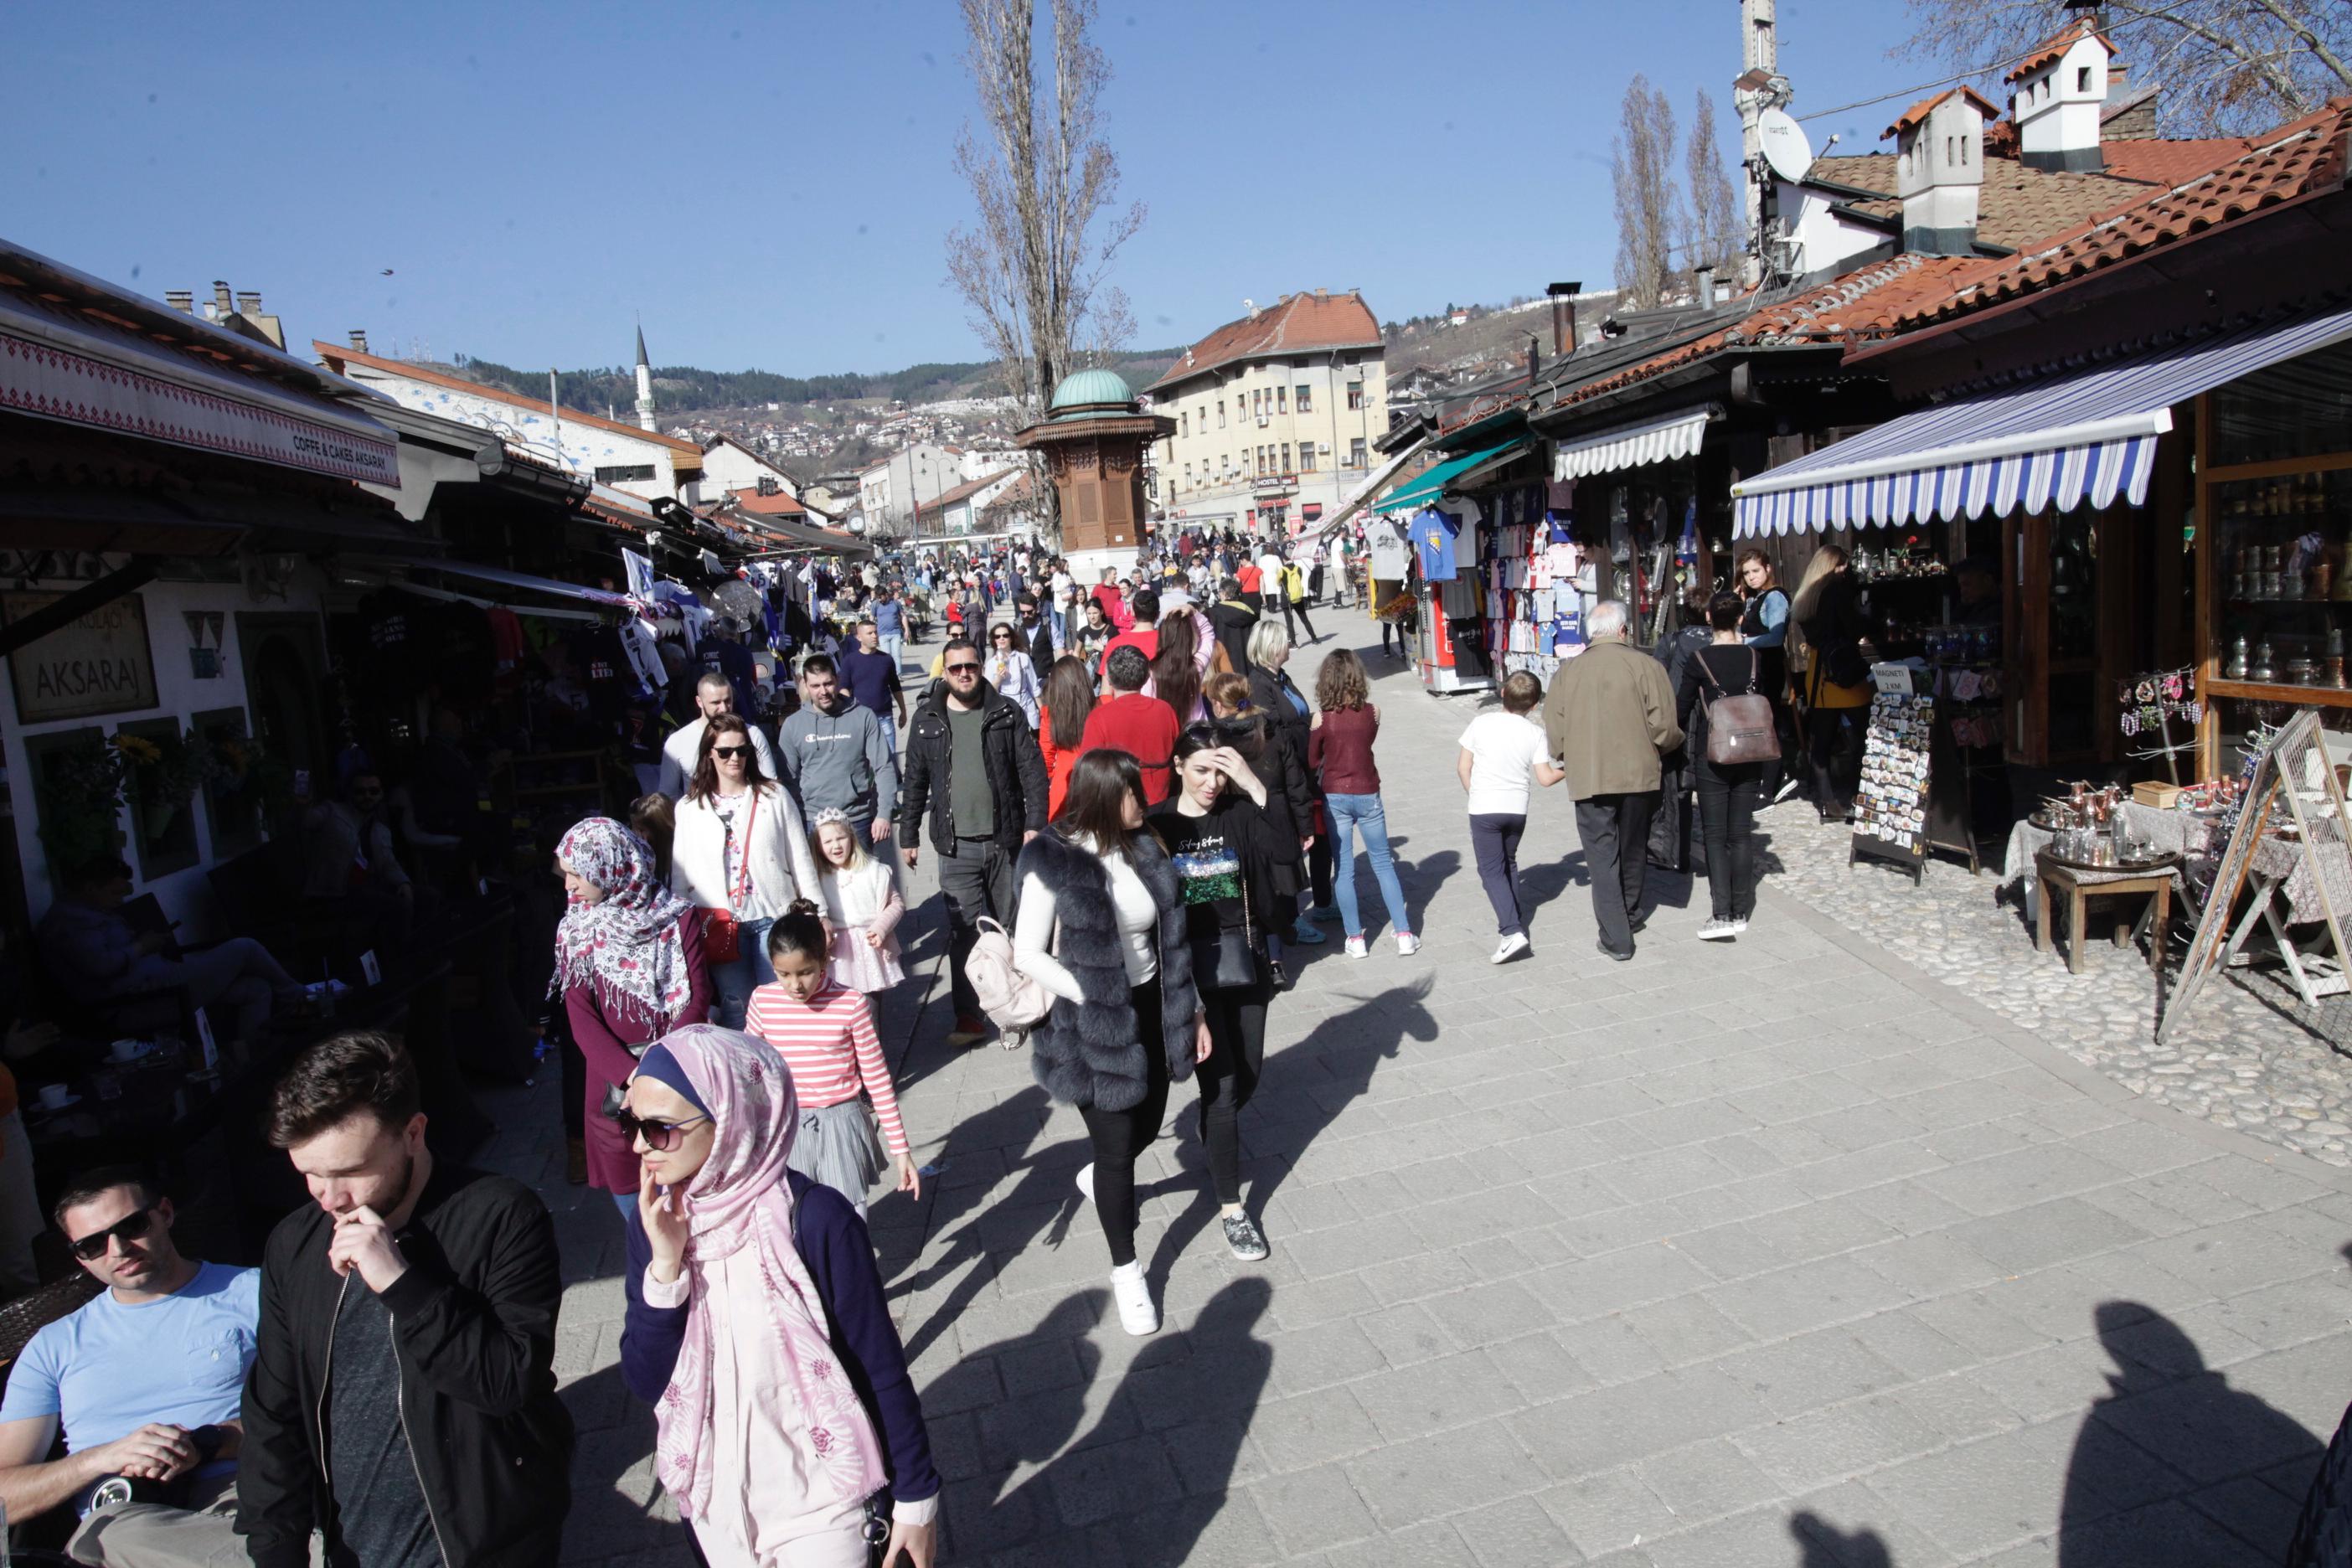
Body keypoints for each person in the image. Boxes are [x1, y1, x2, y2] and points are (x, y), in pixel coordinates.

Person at [237, 1031, 573, 1568]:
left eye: (350, 1171)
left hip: (484, 1540)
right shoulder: (294, 1243)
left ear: (413, 1133)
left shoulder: (500, 1215)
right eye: (309, 1174)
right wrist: (276, 1548)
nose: (330, 1197)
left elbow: (508, 1381)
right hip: (354, 1544)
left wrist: (401, 1281)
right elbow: (275, 1414)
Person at [616, 1026, 941, 1567]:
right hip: (713, 1501)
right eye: (629, 1121)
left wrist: (917, 1497)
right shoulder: (655, 1225)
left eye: (660, 1129)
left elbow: (879, 1366)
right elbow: (649, 1381)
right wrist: (667, 1268)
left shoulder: (815, 1220)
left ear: (731, 1118)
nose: (638, 1145)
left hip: (823, 1501)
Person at [1014, 750, 1205, 1335]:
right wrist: (1090, 992)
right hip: (1091, 1027)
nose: (1141, 800)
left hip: (1152, 1007)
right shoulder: (1057, 861)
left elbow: (1173, 939)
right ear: (1101, 796)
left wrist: (1192, 1009)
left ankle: (1097, 1177)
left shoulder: (1144, 847)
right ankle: (1128, 1272)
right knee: (1119, 1148)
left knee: (1148, 1123)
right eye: (1129, 791)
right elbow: (1028, 953)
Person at [0, 1168, 259, 1567]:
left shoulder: (251, 1294)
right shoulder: (53, 1346)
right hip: (126, 1521)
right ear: (78, 1257)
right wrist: (101, 1459)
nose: (118, 1249)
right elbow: (4, 1497)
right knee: (109, 1537)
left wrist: (207, 1443)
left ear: (166, 1214)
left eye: (132, 1225)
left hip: (242, 1495)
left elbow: (323, 1413)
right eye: (92, 1245)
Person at [1150, 725, 1299, 1265]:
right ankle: (1232, 1208)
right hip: (1192, 974)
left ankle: (1214, 1131)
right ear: (1177, 766)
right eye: (1201, 771)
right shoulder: (1159, 823)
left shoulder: (1238, 812)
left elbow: (1285, 849)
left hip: (1247, 961)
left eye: (1219, 771)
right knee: (1224, 1086)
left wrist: (1253, 784)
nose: (1211, 783)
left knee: (1249, 1076)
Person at [554, 818, 710, 1215]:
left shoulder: (676, 917)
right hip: (614, 1092)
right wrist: (632, 1076)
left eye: (576, 874)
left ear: (608, 865)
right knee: (637, 1214)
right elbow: (582, 1018)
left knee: (690, 1199)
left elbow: (696, 996)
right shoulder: (576, 928)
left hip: (676, 1077)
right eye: (566, 874)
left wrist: (658, 1072)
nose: (569, 885)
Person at [900, 637, 1050, 1047]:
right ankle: (969, 1014)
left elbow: (1032, 771)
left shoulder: (1005, 711)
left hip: (1006, 840)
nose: (964, 674)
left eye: (971, 666)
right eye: (955, 669)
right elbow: (915, 779)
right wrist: (908, 834)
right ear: (943, 673)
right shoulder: (928, 719)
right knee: (965, 933)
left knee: (1012, 930)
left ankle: (1017, 1009)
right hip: (955, 847)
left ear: (981, 666)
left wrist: (1036, 822)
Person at [743, 903, 916, 1213]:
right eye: (783, 974)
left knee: (849, 1214)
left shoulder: (849, 1004)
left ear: (824, 960)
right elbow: (750, 1067)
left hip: (841, 1121)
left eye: (805, 973)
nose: (795, 985)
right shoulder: (762, 1001)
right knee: (795, 1216)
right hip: (787, 1125)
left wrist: (900, 1148)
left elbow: (876, 1079)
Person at [1542, 599, 1683, 962]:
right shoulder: (1647, 666)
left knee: (1601, 854)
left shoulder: (1568, 672)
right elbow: (1665, 728)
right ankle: (1631, 915)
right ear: (1623, 630)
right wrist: (1663, 748)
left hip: (1589, 775)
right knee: (1634, 846)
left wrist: (1565, 755)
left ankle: (1615, 934)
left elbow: (1555, 729)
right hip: (1638, 774)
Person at [36, 855, 302, 1046]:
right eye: (114, 893)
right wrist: (142, 946)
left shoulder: (93, 911)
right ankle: (298, 996)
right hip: (143, 1000)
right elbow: (101, 966)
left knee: (256, 989)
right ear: (90, 888)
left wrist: (147, 945)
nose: (120, 901)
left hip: (163, 981)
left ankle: (249, 1061)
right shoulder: (69, 922)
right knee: (244, 946)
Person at [672, 714, 825, 1029]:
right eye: (725, 751)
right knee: (735, 1005)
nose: (735, 758)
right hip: (720, 925)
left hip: (774, 916)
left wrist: (818, 913)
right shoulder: (688, 808)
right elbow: (679, 873)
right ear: (709, 754)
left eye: (742, 750)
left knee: (784, 1003)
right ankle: (746, 1076)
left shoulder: (774, 796)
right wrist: (679, 931)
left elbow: (800, 858)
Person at [1307, 648, 1417, 957]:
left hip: (1334, 795)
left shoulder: (1321, 719)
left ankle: (1355, 939)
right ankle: (1405, 933)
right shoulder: (1374, 712)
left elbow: (1313, 758)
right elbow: (1366, 743)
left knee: (1343, 868)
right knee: (1383, 864)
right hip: (1368, 792)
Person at [1457, 670, 1567, 963]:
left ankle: (1511, 931)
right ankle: (1515, 917)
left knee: (1490, 871)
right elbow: (1544, 778)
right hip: (1516, 809)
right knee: (1510, 862)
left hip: (1484, 807)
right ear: (1533, 706)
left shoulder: (1481, 723)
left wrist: (1475, 793)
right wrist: (1570, 768)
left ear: (1503, 693)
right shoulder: (1535, 733)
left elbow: (1463, 767)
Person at [1679, 591, 1771, 941]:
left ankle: (1722, 913)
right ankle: (1742, 909)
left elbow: (1681, 707)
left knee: (1716, 836)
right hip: (1751, 750)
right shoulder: (1753, 657)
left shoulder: (1699, 659)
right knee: (1741, 833)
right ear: (1740, 619)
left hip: (1712, 753)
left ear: (1708, 619)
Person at [1246, 620, 1336, 935]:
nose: (1289, 645)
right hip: (1284, 777)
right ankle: (1292, 920)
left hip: (1305, 770)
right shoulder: (1258, 683)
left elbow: (1296, 715)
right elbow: (1271, 731)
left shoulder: (1281, 678)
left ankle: (1324, 901)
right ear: (1272, 647)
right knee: (1293, 847)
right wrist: (1308, 728)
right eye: (1285, 641)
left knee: (1319, 838)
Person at [776, 655, 900, 856]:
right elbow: (786, 781)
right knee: (821, 886)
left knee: (862, 884)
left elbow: (884, 766)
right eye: (815, 686)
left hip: (857, 818)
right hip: (814, 820)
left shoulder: (863, 716)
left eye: (828, 683)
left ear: (837, 679)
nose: (823, 691)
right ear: (805, 685)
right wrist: (796, 819)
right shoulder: (793, 725)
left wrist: (884, 813)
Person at [1790, 544, 1870, 823]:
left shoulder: (1807, 596)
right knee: (1864, 736)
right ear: (1833, 567)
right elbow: (1852, 627)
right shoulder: (1835, 590)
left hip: (1819, 672)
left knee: (1822, 742)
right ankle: (1860, 795)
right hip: (1842, 674)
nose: (1845, 571)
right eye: (1842, 566)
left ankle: (1827, 801)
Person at [812, 810, 905, 995]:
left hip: (869, 948)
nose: (836, 846)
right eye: (828, 842)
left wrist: (881, 927)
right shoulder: (816, 879)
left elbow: (896, 904)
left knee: (870, 1006)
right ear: (818, 846)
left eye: (841, 838)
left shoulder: (873, 871)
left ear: (851, 838)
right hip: (836, 953)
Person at [1080, 646, 1180, 807]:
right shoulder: (1165, 710)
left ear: (1109, 679)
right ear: (1147, 676)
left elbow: (1088, 774)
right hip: (1163, 805)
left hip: (1119, 810)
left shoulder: (1099, 718)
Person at [1737, 548, 1798, 801]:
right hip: (1757, 670)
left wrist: (1744, 641)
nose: (1751, 577)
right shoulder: (1755, 598)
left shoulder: (1774, 597)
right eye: (1747, 573)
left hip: (1769, 670)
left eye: (1756, 571)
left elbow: (1775, 636)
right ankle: (1777, 774)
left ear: (1768, 568)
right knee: (1760, 724)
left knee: (1767, 724)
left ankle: (1769, 785)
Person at [661, 673, 780, 800]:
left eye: (728, 701)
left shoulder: (753, 735)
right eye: (716, 703)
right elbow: (668, 795)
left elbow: (770, 786)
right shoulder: (678, 741)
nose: (723, 708)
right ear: (699, 702)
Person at [1037, 654, 1096, 820]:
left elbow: (1046, 757)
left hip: (1063, 782)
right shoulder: (1099, 709)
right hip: (1095, 778)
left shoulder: (1049, 713)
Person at [837, 620, 908, 750]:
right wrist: (848, 713)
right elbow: (844, 688)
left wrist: (903, 711)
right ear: (859, 637)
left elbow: (896, 687)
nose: (874, 636)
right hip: (859, 719)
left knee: (890, 757)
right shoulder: (850, 661)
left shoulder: (886, 659)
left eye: (875, 632)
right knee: (864, 761)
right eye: (869, 633)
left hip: (884, 717)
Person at [1150, 611, 1207, 726]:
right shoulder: (1197, 667)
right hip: (1196, 734)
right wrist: (1193, 611)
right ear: (1189, 638)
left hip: (1165, 731)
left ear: (1162, 636)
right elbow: (1207, 634)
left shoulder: (1151, 671)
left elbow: (1147, 705)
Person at [983, 621, 1042, 729]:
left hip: (1026, 706)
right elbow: (989, 694)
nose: (1002, 639)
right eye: (998, 636)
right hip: (1006, 710)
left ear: (1011, 638)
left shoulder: (1023, 658)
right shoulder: (991, 664)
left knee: (1032, 741)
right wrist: (998, 679)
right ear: (994, 640)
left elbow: (1034, 687)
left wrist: (1043, 712)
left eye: (1005, 635)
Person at [1207, 577, 1259, 676]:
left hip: (1223, 664)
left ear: (1223, 593)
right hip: (1247, 664)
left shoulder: (1213, 613)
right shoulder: (1249, 613)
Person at [1280, 557, 1320, 646]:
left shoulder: (1282, 570)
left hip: (1286, 597)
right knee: (1304, 619)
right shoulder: (1298, 569)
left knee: (1289, 621)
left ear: (1284, 559)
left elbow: (1277, 582)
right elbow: (1300, 578)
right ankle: (1314, 638)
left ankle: (1294, 643)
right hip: (1298, 596)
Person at [871, 585, 908, 674]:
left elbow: (903, 616)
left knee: (897, 655)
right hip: (882, 634)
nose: (879, 599)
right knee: (886, 656)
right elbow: (872, 618)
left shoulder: (896, 603)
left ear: (886, 595)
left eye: (881, 597)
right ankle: (888, 676)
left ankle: (898, 675)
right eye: (877, 597)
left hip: (895, 633)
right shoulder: (875, 604)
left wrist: (907, 629)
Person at [1072, 597, 1114, 673]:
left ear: (1101, 612)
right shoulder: (1083, 631)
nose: (1092, 617)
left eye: (1095, 613)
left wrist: (1104, 649)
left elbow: (1119, 655)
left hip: (1108, 673)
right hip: (1090, 674)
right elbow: (1076, 653)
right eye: (1089, 613)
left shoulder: (1112, 631)